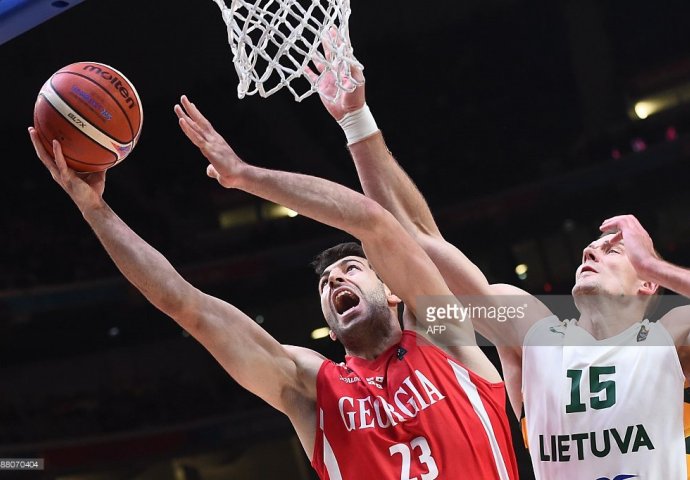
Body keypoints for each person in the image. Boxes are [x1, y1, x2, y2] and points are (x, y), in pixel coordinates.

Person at [28, 99, 520, 478]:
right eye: (326, 283)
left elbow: (376, 223)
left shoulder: (445, 336)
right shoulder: (311, 386)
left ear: (393, 291)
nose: (335, 281)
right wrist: (95, 211)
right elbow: (184, 305)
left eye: (351, 268)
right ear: (327, 329)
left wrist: (245, 177)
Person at [307, 57, 690, 478]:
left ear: (647, 284)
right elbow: (418, 240)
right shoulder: (530, 331)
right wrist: (356, 121)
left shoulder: (669, 337)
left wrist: (654, 262)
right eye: (590, 247)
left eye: (613, 252)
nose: (590, 253)